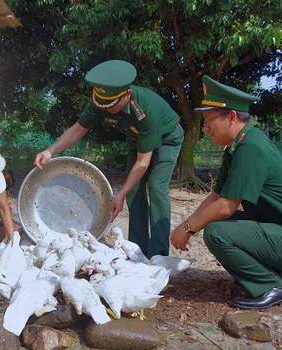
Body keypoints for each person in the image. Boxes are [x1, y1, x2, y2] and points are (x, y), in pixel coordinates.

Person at [170, 75, 282, 309]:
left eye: (209, 120)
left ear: (231, 117)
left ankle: (270, 286)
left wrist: (187, 228)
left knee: (217, 232)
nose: (206, 128)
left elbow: (225, 207)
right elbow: (216, 196)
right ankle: (271, 275)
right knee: (221, 224)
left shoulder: (251, 147)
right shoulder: (238, 147)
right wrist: (187, 224)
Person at [34, 60, 184, 258]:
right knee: (134, 192)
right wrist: (51, 150)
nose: (107, 109)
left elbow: (142, 162)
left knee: (156, 188)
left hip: (167, 138)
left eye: (113, 105)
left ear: (127, 94)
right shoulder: (100, 101)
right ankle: (137, 251)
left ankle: (159, 256)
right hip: (137, 138)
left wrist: (119, 194)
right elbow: (78, 129)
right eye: (103, 105)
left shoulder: (145, 109)